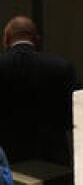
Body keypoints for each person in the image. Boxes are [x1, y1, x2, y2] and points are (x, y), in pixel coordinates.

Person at [0, 16, 79, 166]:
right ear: (37, 39)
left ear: (6, 38)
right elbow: (75, 113)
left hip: (6, 155)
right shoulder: (61, 67)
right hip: (50, 153)